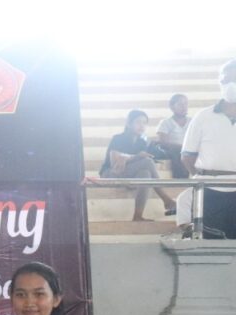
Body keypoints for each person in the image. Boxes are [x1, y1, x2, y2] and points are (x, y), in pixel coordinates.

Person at [182, 59, 236, 239]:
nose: (231, 85)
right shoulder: (203, 117)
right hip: (209, 191)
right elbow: (187, 156)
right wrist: (206, 175)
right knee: (211, 242)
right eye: (226, 80)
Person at [99, 109, 176, 220]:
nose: (142, 126)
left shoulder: (142, 142)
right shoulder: (118, 138)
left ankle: (137, 216)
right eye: (138, 122)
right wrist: (136, 157)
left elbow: (147, 158)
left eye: (144, 123)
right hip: (110, 174)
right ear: (129, 124)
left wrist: (130, 158)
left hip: (129, 175)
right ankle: (167, 200)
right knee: (147, 162)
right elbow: (115, 164)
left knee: (145, 174)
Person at [155, 93, 190, 179]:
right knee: (177, 152)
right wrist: (181, 147)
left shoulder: (192, 122)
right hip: (173, 150)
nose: (184, 107)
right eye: (180, 104)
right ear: (172, 107)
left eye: (185, 103)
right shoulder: (166, 122)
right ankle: (181, 179)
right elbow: (162, 142)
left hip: (189, 149)